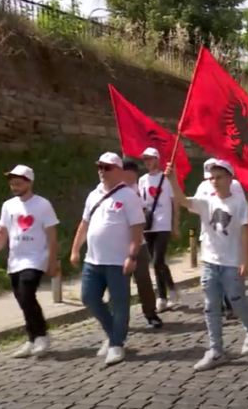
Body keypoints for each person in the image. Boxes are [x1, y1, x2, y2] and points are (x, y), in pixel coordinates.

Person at [165, 160, 248, 370]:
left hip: (232, 262)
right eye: (212, 177)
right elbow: (183, 200)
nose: (215, 181)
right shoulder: (206, 201)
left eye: (220, 177)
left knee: (237, 302)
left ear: (230, 179)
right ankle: (216, 350)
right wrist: (172, 181)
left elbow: (245, 233)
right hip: (210, 262)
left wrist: (246, 260)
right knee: (210, 306)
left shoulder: (238, 202)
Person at [70, 152, 145, 365]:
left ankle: (116, 344)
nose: (102, 171)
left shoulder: (129, 196)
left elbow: (137, 229)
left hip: (118, 261)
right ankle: (113, 333)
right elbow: (84, 224)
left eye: (107, 167)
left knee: (119, 303)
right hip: (93, 260)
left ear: (119, 171)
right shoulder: (94, 195)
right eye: (99, 167)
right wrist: (75, 249)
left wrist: (132, 255)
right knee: (88, 297)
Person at [0, 165, 59, 358]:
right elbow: (2, 232)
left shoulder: (42, 205)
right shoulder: (9, 206)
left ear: (29, 182)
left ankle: (41, 335)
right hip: (15, 259)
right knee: (22, 299)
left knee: (26, 293)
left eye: (19, 182)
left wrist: (52, 260)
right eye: (12, 182)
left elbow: (51, 235)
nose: (14, 186)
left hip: (36, 258)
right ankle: (32, 338)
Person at [195, 158, 240, 318]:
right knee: (212, 272)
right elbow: (194, 207)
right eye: (210, 173)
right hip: (210, 233)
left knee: (227, 271)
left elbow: (238, 206)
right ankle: (217, 304)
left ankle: (231, 304)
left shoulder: (234, 186)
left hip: (229, 235)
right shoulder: (203, 187)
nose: (213, 179)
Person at [138, 147, 180, 312]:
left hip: (163, 224)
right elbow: (140, 202)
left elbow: (174, 202)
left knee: (157, 260)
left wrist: (175, 224)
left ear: (157, 159)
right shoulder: (142, 180)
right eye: (145, 159)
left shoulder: (166, 179)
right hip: (148, 225)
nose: (147, 162)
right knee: (157, 263)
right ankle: (165, 294)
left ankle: (166, 292)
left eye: (150, 159)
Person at [123, 159, 163, 328]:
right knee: (119, 283)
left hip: (138, 241)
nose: (132, 178)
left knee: (143, 279)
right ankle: (120, 318)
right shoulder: (111, 191)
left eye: (134, 175)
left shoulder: (136, 190)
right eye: (129, 175)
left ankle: (150, 312)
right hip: (116, 244)